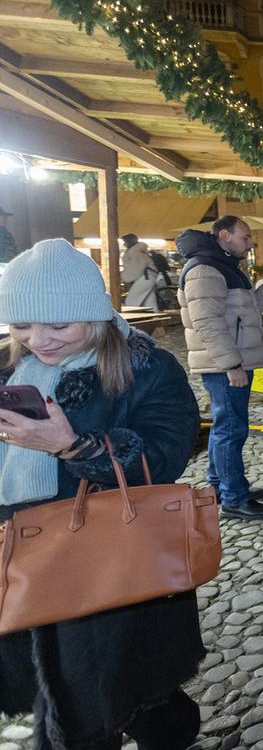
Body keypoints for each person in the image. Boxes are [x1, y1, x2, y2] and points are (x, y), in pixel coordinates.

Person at [0, 239, 203, 750]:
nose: (37, 340)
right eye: (22, 326)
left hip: (104, 559)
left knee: (86, 703)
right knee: (98, 686)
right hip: (19, 553)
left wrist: (71, 446)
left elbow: (163, 458)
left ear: (93, 314)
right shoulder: (10, 367)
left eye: (57, 325)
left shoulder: (147, 369)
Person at [177, 216, 263, 520]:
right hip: (225, 364)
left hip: (230, 361)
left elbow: (240, 312)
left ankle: (221, 487)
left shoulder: (221, 265)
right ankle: (234, 498)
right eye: (246, 237)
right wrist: (231, 364)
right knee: (231, 429)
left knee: (226, 427)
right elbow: (207, 322)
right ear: (225, 235)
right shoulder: (205, 268)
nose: (250, 244)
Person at [120, 233, 160, 311]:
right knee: (149, 303)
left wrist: (122, 277)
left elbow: (136, 268)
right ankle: (156, 316)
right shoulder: (138, 250)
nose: (124, 244)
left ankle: (129, 320)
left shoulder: (135, 251)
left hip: (145, 277)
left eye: (125, 241)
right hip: (148, 277)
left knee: (131, 301)